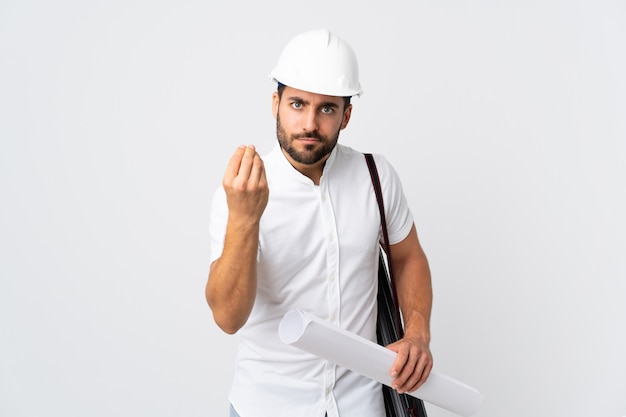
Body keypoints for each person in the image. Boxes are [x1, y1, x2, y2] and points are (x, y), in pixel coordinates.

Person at [206, 28, 433, 417]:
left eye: (326, 108)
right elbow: (228, 317)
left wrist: (417, 333)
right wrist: (245, 219)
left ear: (346, 115)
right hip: (268, 405)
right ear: (275, 103)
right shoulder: (243, 190)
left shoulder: (375, 176)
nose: (309, 123)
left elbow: (408, 257)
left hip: (362, 403)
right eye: (297, 104)